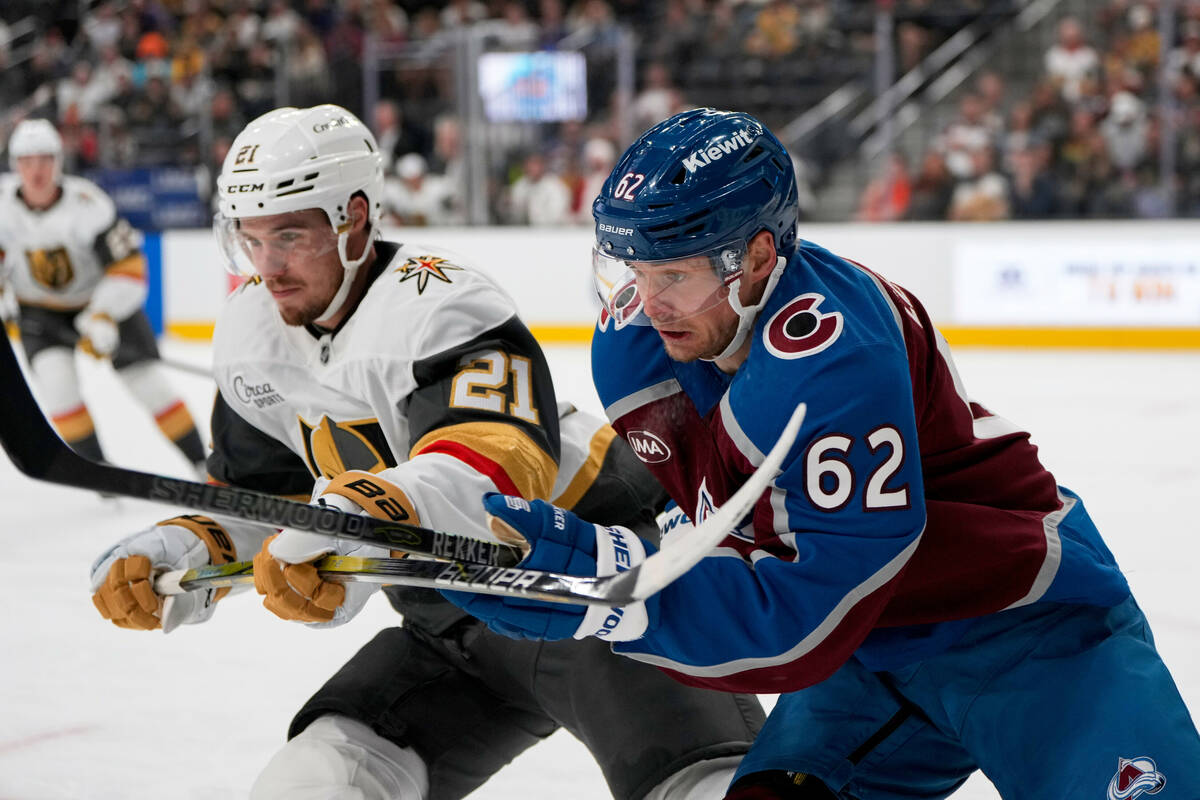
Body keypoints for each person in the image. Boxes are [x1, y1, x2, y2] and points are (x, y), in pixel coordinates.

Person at [441, 109, 1200, 798]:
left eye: (673, 273)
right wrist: (585, 564)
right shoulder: (636, 347)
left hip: (1023, 628)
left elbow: (804, 621)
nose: (648, 301)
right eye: (634, 270)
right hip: (873, 659)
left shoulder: (833, 358)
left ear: (759, 255)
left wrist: (607, 596)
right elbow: (732, 529)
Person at [87, 104, 764, 800]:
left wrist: (358, 514)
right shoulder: (251, 329)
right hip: (451, 628)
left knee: (710, 790)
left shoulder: (442, 300)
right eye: (250, 239)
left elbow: (496, 465)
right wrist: (188, 545)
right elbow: (265, 496)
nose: (268, 266)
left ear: (352, 218)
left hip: (597, 587)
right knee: (315, 782)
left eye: (288, 235)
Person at [0, 117, 206, 478]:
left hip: (104, 305)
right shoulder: (2, 208)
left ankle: (205, 466)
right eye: (27, 161)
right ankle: (99, 475)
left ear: (59, 161)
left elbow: (129, 266)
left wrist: (103, 314)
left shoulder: (88, 204)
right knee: (59, 391)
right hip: (41, 315)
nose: (36, 171)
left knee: (150, 386)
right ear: (15, 165)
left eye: (45, 159)